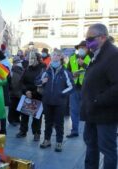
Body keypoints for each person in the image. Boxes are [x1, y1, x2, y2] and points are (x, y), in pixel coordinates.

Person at [81, 23, 118, 169]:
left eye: (90, 38)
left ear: (103, 37)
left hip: (105, 114)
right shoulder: (97, 54)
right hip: (92, 111)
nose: (87, 42)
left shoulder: (113, 55)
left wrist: (96, 100)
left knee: (107, 149)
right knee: (91, 145)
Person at [37, 49, 74, 152]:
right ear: (51, 57)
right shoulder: (46, 71)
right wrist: (41, 81)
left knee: (59, 123)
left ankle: (59, 142)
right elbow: (37, 82)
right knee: (48, 121)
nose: (55, 57)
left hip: (60, 103)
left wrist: (61, 93)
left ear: (61, 57)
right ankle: (47, 140)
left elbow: (71, 87)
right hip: (47, 101)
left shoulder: (65, 72)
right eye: (54, 55)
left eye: (58, 55)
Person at [16, 51, 45, 141]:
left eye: (33, 58)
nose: (31, 60)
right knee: (24, 114)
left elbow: (42, 84)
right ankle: (23, 131)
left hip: (37, 95)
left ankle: (36, 133)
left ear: (37, 59)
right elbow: (21, 82)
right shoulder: (27, 69)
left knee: (37, 116)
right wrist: (26, 91)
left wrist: (33, 93)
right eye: (29, 58)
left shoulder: (42, 69)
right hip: (26, 95)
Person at [66, 41, 91, 138]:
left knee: (87, 111)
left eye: (84, 47)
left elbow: (95, 72)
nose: (81, 49)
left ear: (88, 49)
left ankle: (89, 132)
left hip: (87, 89)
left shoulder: (92, 57)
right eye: (80, 47)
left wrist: (84, 65)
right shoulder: (72, 58)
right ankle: (74, 131)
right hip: (74, 88)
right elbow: (67, 71)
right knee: (73, 110)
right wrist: (72, 74)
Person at [8, 55, 24, 126]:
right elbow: (10, 82)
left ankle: (16, 119)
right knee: (13, 107)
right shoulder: (12, 71)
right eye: (17, 62)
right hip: (14, 93)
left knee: (17, 107)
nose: (18, 63)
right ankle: (12, 120)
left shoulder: (22, 70)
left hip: (17, 92)